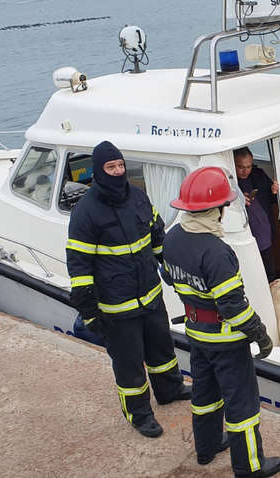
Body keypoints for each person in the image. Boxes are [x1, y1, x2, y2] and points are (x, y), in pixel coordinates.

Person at [162, 166, 280, 478]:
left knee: (204, 394)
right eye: (224, 206)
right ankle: (249, 466)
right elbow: (232, 305)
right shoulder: (217, 251)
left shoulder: (172, 238)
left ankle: (207, 446)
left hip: (196, 334)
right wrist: (258, 332)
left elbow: (171, 278)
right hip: (227, 341)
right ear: (214, 210)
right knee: (241, 403)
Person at [65, 141, 190, 438]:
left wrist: (169, 267)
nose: (118, 171)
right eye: (111, 167)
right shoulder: (85, 212)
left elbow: (157, 234)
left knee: (162, 349)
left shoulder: (137, 196)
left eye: (121, 165)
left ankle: (170, 389)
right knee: (129, 364)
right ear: (98, 171)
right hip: (117, 308)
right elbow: (79, 266)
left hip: (150, 296)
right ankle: (138, 413)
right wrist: (89, 310)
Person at [233, 147, 279, 282]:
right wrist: (238, 200)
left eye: (248, 166)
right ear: (232, 164)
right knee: (252, 278)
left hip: (265, 235)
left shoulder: (258, 175)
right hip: (245, 239)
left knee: (269, 274)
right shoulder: (230, 183)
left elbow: (272, 200)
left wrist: (274, 192)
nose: (245, 171)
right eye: (240, 167)